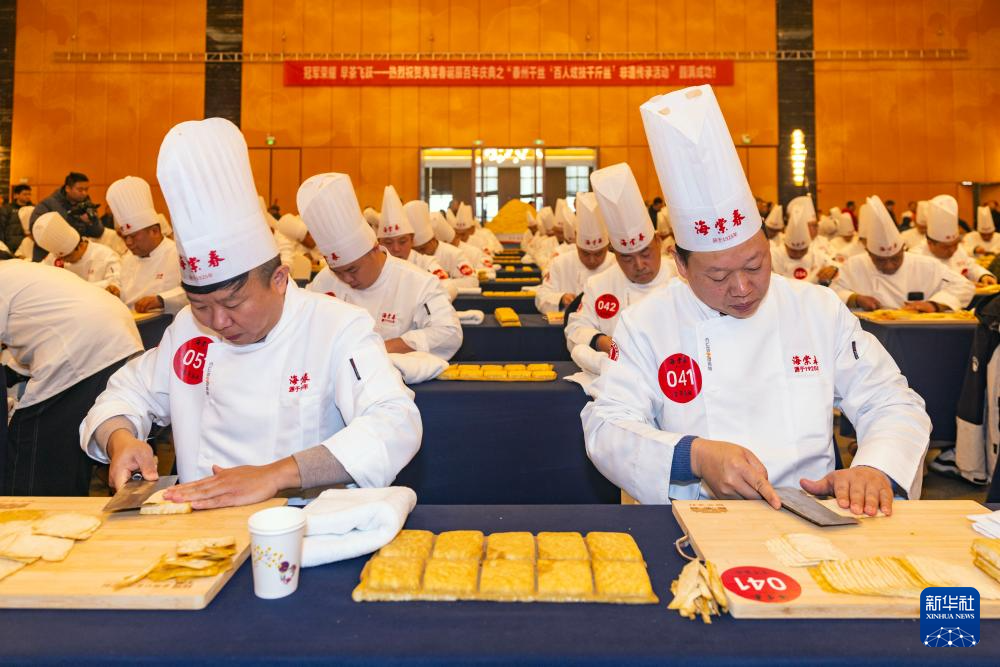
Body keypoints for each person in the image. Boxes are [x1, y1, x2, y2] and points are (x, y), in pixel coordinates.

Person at [583, 84, 930, 512]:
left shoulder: (817, 310)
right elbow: (606, 425)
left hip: (813, 511)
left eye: (754, 265)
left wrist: (876, 468)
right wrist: (693, 456)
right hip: (698, 516)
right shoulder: (646, 323)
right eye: (718, 275)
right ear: (681, 266)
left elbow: (890, 399)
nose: (743, 288)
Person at [80, 118, 421, 508]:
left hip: (306, 526)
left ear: (279, 279)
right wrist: (122, 439)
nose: (218, 322)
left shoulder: (336, 327)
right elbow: (123, 395)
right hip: (198, 528)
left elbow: (395, 421)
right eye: (200, 305)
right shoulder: (188, 330)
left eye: (232, 303)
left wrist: (276, 474)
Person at [1, 256, 142, 495]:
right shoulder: (19, 270)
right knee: (70, 444)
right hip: (116, 337)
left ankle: (41, 512)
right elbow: (37, 327)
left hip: (81, 347)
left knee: (32, 445)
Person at [303, 173, 462, 362]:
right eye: (337, 272)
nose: (346, 279)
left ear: (374, 249)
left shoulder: (417, 282)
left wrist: (378, 349)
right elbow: (301, 321)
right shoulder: (324, 280)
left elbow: (449, 332)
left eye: (352, 270)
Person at [565, 162, 677, 375]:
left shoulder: (682, 278)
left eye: (645, 253)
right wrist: (600, 341)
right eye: (626, 258)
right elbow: (575, 329)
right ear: (614, 254)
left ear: (658, 242)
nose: (639, 265)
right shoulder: (599, 284)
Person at [832, 196, 973, 312]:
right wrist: (855, 299)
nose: (889, 265)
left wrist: (934, 305)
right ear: (869, 254)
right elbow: (833, 292)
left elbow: (964, 286)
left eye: (895, 259)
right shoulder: (854, 265)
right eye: (880, 260)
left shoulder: (926, 265)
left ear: (903, 250)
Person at [107, 175, 185, 312]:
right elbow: (121, 284)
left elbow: (196, 293)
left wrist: (161, 300)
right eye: (125, 237)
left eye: (133, 236)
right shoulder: (128, 258)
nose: (128, 243)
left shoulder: (178, 255)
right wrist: (116, 289)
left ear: (154, 231)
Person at [534, 191, 615, 315]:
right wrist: (561, 298)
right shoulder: (560, 263)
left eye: (598, 254)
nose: (592, 260)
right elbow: (541, 296)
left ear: (606, 246)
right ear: (576, 244)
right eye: (585, 253)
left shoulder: (616, 265)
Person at [376, 186, 459, 297]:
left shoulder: (425, 263)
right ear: (379, 243)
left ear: (412, 241)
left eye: (402, 242)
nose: (396, 249)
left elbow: (448, 286)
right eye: (388, 243)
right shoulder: (373, 266)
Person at [34, 211, 123, 296]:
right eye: (61, 258)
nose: (64, 261)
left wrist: (112, 287)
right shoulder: (55, 256)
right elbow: (39, 271)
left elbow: (115, 282)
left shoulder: (105, 255)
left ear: (80, 246)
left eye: (67, 256)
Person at [914, 195, 996, 285]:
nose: (952, 250)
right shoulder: (917, 258)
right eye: (946, 247)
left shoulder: (958, 249)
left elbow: (970, 265)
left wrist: (983, 276)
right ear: (930, 243)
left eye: (955, 244)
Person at [30, 172, 104, 261]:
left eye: (86, 189)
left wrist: (90, 222)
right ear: (68, 188)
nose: (84, 193)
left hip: (77, 258)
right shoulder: (48, 204)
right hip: (49, 257)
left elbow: (98, 233)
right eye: (80, 190)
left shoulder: (87, 206)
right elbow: (36, 229)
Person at [770, 203, 838, 284]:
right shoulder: (773, 255)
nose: (798, 254)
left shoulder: (816, 254)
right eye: (793, 251)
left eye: (803, 250)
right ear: (785, 245)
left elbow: (837, 266)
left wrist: (833, 269)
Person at [1, 184, 32, 251]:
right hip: (11, 245)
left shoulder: (33, 208)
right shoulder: (7, 209)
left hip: (27, 244)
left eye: (29, 194)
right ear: (16, 195)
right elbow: (1, 227)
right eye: (25, 194)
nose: (28, 196)